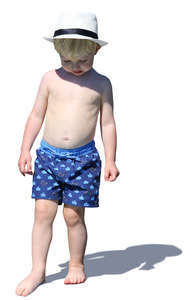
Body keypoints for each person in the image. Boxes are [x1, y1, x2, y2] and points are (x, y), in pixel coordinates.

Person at [15, 11, 120, 296]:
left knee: (74, 216)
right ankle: (38, 269)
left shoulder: (101, 84)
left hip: (83, 161)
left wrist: (110, 158)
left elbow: (107, 122)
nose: (74, 67)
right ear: (57, 53)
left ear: (95, 50)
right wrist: (25, 149)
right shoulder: (50, 79)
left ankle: (76, 264)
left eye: (83, 61)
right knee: (42, 212)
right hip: (48, 158)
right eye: (66, 61)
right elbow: (36, 115)